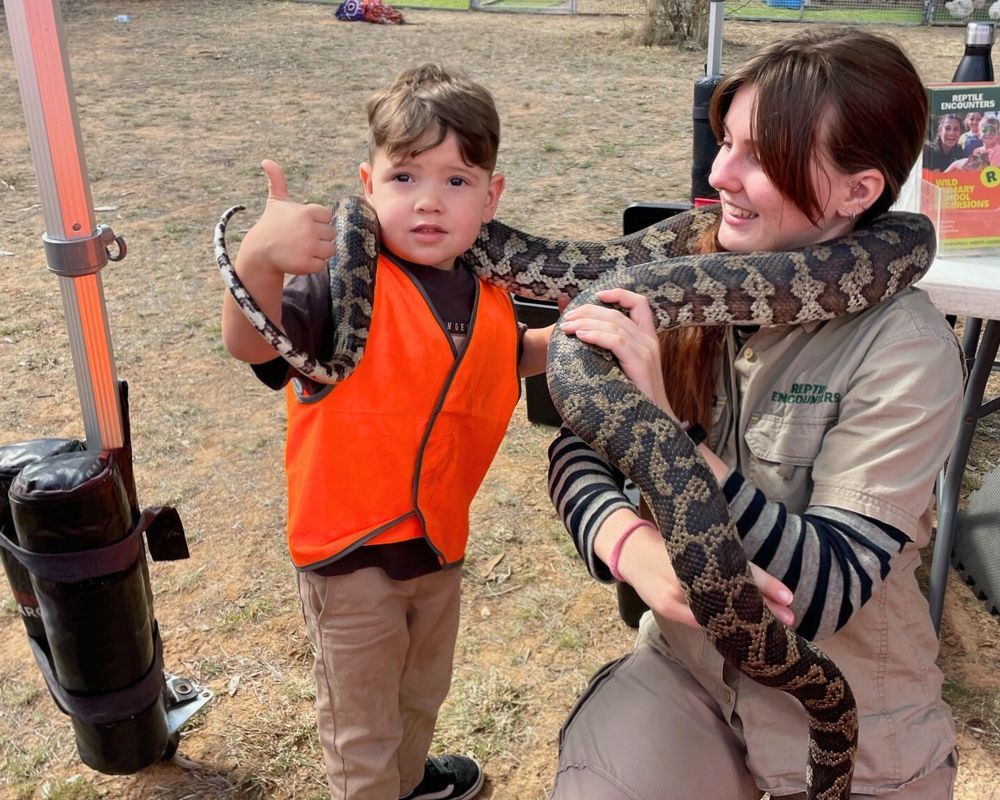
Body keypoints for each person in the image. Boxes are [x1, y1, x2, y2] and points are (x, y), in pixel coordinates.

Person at [546, 28, 963, 800]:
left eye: (760, 156)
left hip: (858, 712)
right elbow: (576, 452)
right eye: (726, 139)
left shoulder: (908, 349)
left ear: (858, 191)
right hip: (692, 671)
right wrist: (627, 543)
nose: (718, 174)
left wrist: (664, 431)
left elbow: (820, 592)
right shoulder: (689, 278)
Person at [220, 63, 551, 800]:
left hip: (437, 544)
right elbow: (252, 347)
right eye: (404, 178)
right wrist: (256, 262)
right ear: (367, 186)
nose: (429, 202)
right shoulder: (336, 276)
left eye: (457, 181)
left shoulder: (489, 287)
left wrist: (561, 346)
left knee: (419, 695)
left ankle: (409, 783)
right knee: (361, 729)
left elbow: (498, 359)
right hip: (350, 557)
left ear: (492, 197)